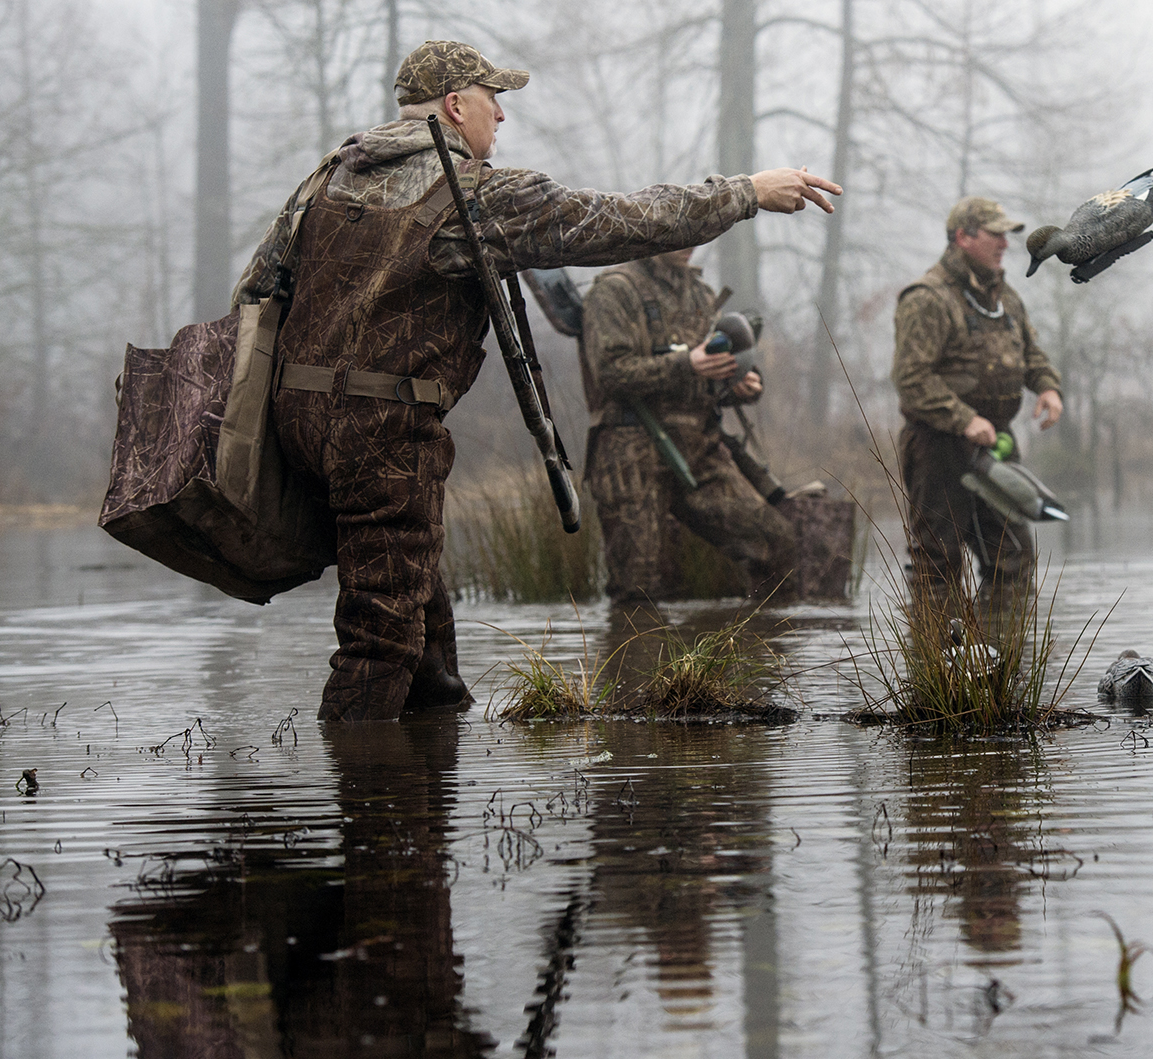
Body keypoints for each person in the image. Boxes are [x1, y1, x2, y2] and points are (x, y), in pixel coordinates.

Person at [231, 40, 838, 721]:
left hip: (296, 425)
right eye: (495, 101)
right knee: (378, 641)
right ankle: (374, 810)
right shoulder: (470, 192)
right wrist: (746, 192)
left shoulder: (327, 180)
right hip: (383, 433)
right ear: (456, 106)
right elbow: (616, 221)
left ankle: (429, 767)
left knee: (420, 621)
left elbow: (256, 291)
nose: (502, 118)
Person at [581, 245, 797, 607]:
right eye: (680, 236)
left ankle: (748, 658)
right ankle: (637, 662)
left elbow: (710, 374)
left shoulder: (700, 294)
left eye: (696, 237)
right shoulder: (615, 290)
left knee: (774, 543)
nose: (689, 245)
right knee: (637, 589)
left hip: (699, 452)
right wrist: (686, 364)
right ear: (655, 234)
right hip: (630, 456)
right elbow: (609, 373)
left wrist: (738, 383)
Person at [891, 197, 1063, 618]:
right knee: (939, 565)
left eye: (1007, 234)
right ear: (963, 237)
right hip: (938, 450)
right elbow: (911, 380)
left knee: (1014, 558)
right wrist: (965, 420)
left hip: (996, 449)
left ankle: (1002, 667)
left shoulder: (1007, 297)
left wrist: (1047, 387)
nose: (1006, 243)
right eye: (996, 233)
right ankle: (939, 675)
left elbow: (1031, 355)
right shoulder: (927, 298)